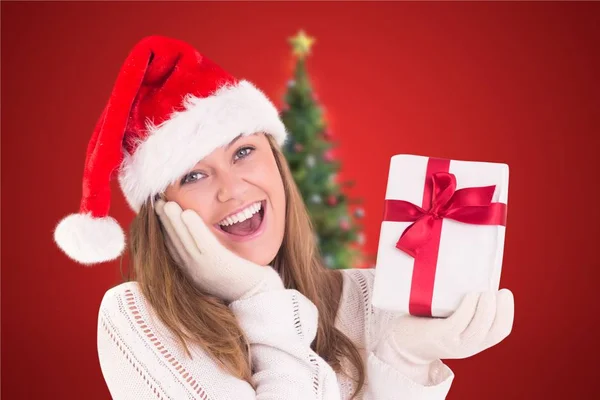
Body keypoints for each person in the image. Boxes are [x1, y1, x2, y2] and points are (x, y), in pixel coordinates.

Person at [53, 35, 514, 400]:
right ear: (163, 213)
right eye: (193, 174)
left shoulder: (368, 298)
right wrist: (257, 294)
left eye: (244, 152)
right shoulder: (137, 319)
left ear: (277, 163)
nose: (231, 188)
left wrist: (406, 359)